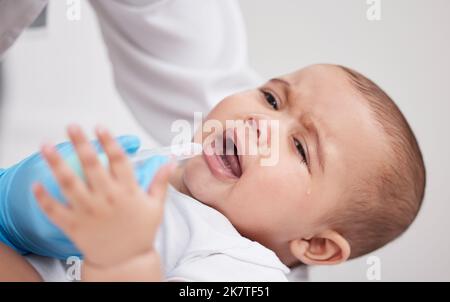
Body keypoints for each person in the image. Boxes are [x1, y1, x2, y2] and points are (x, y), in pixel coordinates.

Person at [0, 63, 426, 281]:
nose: (261, 123)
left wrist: (123, 260)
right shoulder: (163, 168)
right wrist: (25, 198)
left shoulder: (246, 273)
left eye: (299, 147)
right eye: (272, 99)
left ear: (314, 244)